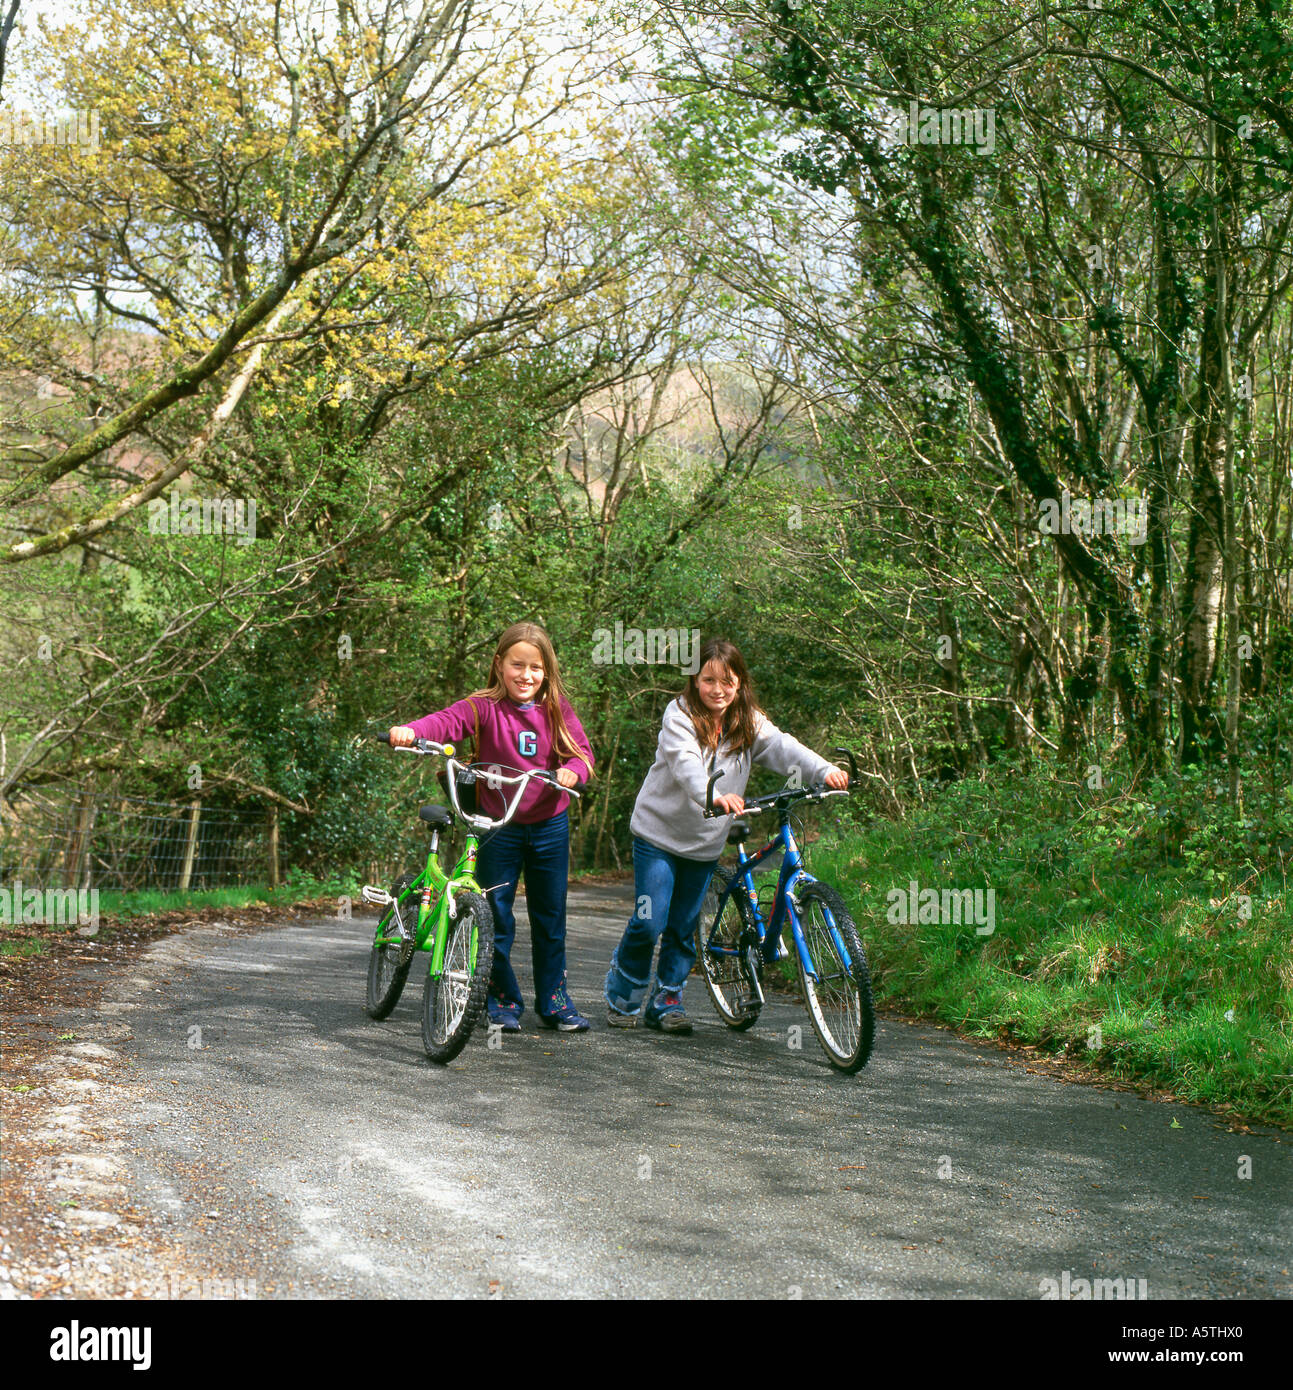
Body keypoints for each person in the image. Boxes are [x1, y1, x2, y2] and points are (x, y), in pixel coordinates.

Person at [603, 638, 848, 1033]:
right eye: (708, 680)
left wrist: (824, 771)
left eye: (727, 681)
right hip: (658, 837)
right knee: (650, 920)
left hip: (703, 844)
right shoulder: (678, 715)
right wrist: (713, 796)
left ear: (740, 684)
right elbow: (685, 765)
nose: (717, 689)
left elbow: (785, 748)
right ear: (694, 681)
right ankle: (624, 995)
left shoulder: (747, 721)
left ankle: (666, 1002)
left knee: (683, 925)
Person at [390, 622, 595, 1032]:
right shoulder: (482, 707)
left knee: (550, 916)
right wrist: (412, 732)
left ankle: (554, 1000)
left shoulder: (557, 709)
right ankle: (501, 998)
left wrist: (572, 773)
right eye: (517, 665)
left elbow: (583, 755)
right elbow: (444, 723)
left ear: (547, 671)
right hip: (497, 825)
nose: (526, 675)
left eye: (536, 668)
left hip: (549, 825)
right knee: (495, 915)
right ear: (500, 664)